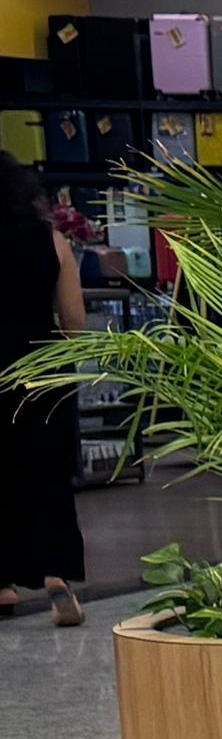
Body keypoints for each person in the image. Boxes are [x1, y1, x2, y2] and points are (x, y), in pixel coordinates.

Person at [0, 153, 85, 624]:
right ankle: (57, 577)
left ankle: (3, 584)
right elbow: (74, 322)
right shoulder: (53, 241)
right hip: (44, 372)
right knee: (50, 478)